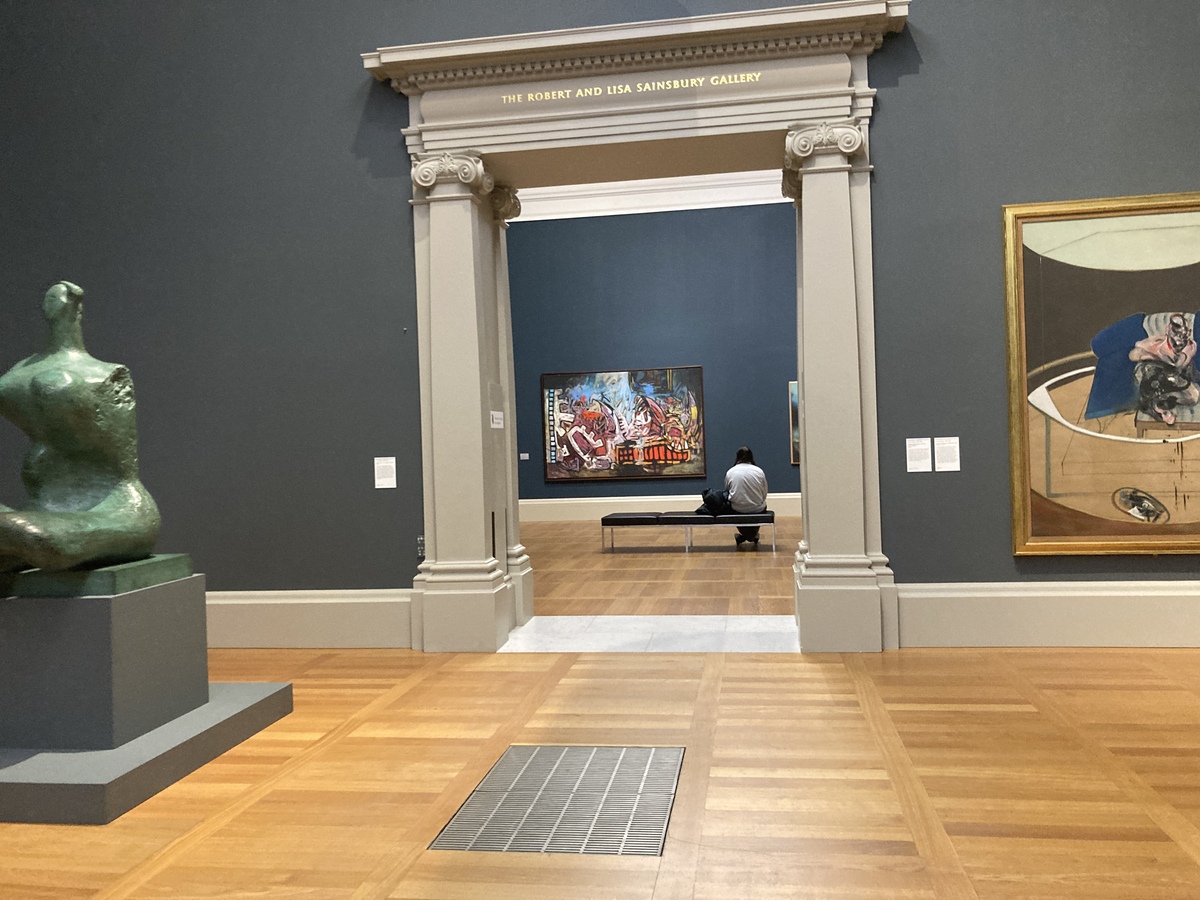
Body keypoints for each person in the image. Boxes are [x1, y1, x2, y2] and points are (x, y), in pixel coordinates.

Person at [0, 281, 160, 572]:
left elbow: (122, 465)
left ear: (76, 305)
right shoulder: (21, 371)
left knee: (38, 538)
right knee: (25, 532)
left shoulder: (108, 374)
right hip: (41, 507)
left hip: (114, 508)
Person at [725, 445, 768, 549]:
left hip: (737, 509)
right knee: (761, 506)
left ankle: (747, 536)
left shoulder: (730, 472)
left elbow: (727, 491)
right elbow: (764, 492)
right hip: (757, 509)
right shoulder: (759, 471)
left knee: (734, 507)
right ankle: (751, 536)